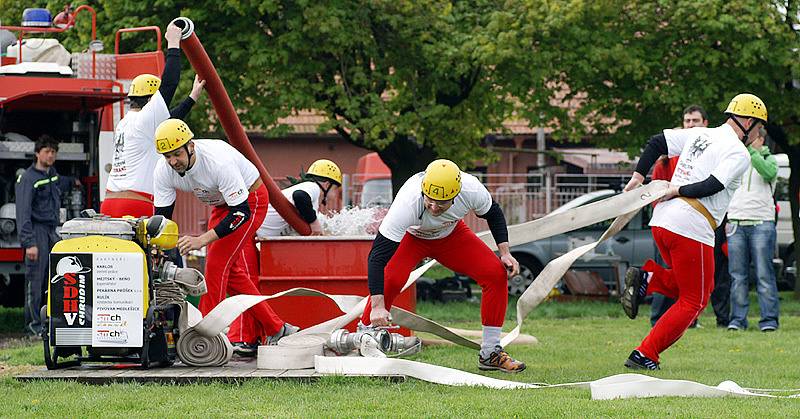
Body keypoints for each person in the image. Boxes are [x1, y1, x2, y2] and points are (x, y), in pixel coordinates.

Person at [620, 93, 766, 370]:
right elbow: (713, 184)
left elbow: (655, 142)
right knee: (695, 300)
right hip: (691, 225)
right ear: (747, 121)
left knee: (693, 286)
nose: (758, 133)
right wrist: (677, 189)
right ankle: (645, 353)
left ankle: (647, 279)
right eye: (758, 127)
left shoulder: (699, 134)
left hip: (663, 223)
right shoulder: (739, 152)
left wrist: (638, 176)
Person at [360, 159, 526, 372]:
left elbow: (493, 213)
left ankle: (490, 353)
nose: (434, 207)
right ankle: (363, 339)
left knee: (495, 273)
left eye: (442, 202)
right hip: (413, 237)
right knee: (392, 279)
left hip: (451, 235)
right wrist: (377, 307)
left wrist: (505, 253)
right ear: (423, 190)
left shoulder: (472, 188)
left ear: (456, 195)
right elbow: (376, 258)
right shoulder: (408, 201)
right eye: (430, 200)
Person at [152, 119, 297, 346]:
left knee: (216, 265)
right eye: (167, 156)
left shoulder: (218, 161)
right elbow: (162, 218)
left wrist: (202, 239)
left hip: (250, 202)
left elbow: (240, 213)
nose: (172, 161)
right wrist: (156, 247)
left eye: (177, 154)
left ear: (191, 146)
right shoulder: (163, 169)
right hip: (222, 205)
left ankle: (204, 336)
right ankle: (276, 327)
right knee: (232, 274)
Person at [228, 159, 342, 355]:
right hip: (245, 235)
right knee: (249, 287)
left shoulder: (306, 191)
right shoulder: (310, 188)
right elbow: (300, 197)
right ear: (326, 183)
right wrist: (314, 224)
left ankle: (252, 338)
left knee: (253, 286)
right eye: (335, 189)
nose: (333, 195)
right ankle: (240, 338)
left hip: (250, 235)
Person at [100, 22, 206, 218]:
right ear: (150, 100)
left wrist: (191, 99)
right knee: (159, 248)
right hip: (136, 205)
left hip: (109, 203)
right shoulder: (146, 119)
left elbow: (169, 121)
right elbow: (170, 83)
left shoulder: (125, 122)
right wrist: (174, 44)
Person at [649, 105, 709, 327]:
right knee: (672, 270)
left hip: (692, 222)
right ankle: (657, 315)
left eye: (695, 121)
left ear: (705, 123)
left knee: (688, 277)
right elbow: (655, 191)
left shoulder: (702, 157)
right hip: (670, 221)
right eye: (687, 121)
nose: (691, 125)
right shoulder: (665, 161)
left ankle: (686, 319)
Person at [15, 135, 78, 335]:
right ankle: (33, 326)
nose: (50, 155)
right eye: (47, 152)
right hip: (36, 231)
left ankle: (50, 321)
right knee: (35, 279)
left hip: (52, 231)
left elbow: (61, 182)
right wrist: (29, 242)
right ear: (37, 153)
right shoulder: (28, 179)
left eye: (53, 152)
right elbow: (23, 212)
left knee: (54, 278)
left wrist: (75, 181)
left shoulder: (51, 174)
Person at [726, 127, 780, 332]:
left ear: (761, 139)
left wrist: (751, 152)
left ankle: (769, 320)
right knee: (737, 275)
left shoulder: (769, 159)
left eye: (751, 138)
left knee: (764, 274)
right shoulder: (737, 160)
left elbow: (769, 173)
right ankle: (737, 320)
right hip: (736, 222)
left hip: (762, 223)